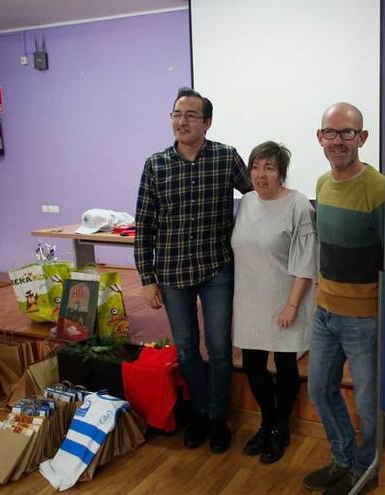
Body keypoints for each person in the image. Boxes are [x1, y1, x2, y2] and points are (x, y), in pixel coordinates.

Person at [134, 87, 252, 454]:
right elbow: (145, 223)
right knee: (186, 349)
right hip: (171, 273)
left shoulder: (225, 157)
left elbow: (255, 197)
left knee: (219, 349)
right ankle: (200, 411)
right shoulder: (156, 164)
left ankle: (218, 416)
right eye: (176, 114)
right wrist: (146, 278)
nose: (181, 121)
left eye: (190, 115)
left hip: (217, 267)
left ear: (207, 122)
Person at [302, 103, 384, 495]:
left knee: (368, 408)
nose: (338, 140)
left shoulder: (377, 188)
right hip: (325, 312)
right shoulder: (320, 184)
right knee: (319, 389)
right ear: (320, 137)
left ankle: (366, 470)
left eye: (347, 133)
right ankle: (342, 460)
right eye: (330, 132)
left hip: (364, 320)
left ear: (362, 138)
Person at [231, 141, 318, 465]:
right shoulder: (247, 202)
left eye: (269, 168)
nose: (260, 174)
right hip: (250, 299)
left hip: (285, 300)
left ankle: (281, 427)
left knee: (284, 365)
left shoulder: (298, 206)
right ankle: (267, 421)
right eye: (255, 167)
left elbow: (306, 262)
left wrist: (292, 306)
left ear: (281, 173)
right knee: (253, 365)